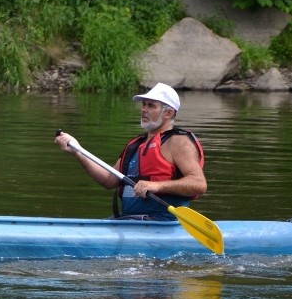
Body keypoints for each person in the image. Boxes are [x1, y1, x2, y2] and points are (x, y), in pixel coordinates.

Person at [55, 83, 206, 221]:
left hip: (162, 223)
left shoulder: (179, 142)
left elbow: (198, 184)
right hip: (129, 221)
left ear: (169, 113)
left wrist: (158, 186)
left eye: (151, 106)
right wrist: (77, 150)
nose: (143, 109)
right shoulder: (136, 145)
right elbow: (109, 180)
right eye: (144, 104)